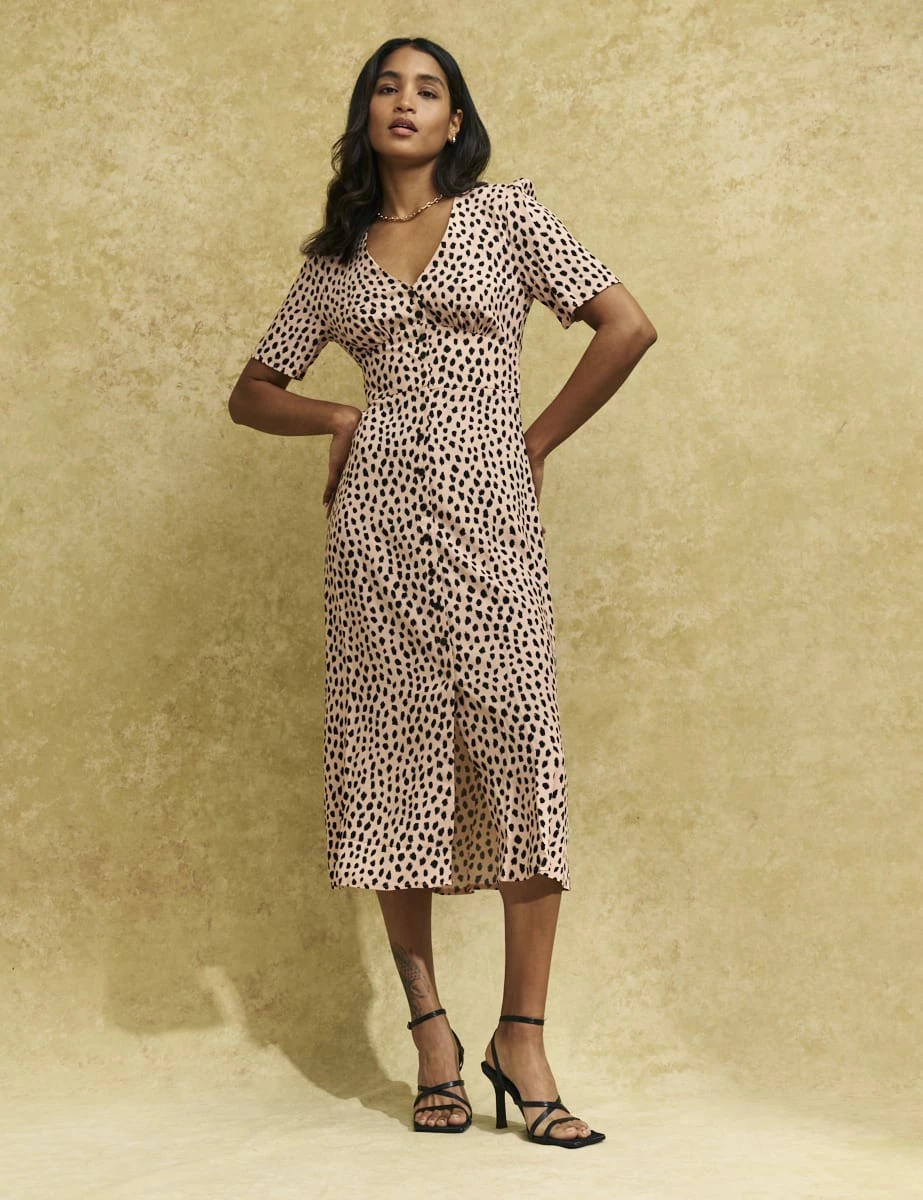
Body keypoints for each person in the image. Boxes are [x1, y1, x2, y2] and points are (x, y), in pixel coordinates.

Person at [229, 35, 656, 1149]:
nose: (406, 103)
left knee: (519, 748)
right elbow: (251, 391)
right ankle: (431, 1038)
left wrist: (535, 443)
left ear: (455, 121)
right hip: (372, 533)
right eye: (387, 87)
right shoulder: (336, 259)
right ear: (365, 115)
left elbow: (627, 326)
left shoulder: (508, 217)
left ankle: (522, 1039)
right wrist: (335, 415)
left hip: (490, 523)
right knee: (388, 760)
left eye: (428, 90)